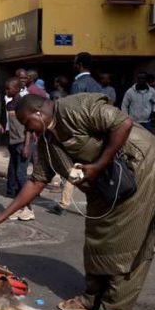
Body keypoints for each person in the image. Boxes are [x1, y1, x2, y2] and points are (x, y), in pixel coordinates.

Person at [0, 93, 155, 310]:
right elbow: (37, 181)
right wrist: (4, 215)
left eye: (27, 123)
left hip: (139, 167)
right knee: (97, 236)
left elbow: (123, 123)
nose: (28, 130)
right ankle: (92, 297)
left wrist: (99, 164)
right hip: (104, 181)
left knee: (126, 241)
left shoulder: (74, 108)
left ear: (38, 113)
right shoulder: (47, 142)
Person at [49, 52, 103, 216]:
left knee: (73, 168)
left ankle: (64, 204)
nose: (73, 65)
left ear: (79, 65)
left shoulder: (78, 84)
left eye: (74, 63)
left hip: (80, 132)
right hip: (96, 131)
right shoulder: (97, 85)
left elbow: (73, 110)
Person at [4, 77, 35, 221]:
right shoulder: (9, 104)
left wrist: (27, 146)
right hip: (14, 143)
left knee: (21, 175)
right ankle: (18, 207)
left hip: (24, 143)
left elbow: (29, 126)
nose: (6, 91)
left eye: (9, 88)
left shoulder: (24, 104)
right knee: (16, 176)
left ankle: (29, 208)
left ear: (17, 89)